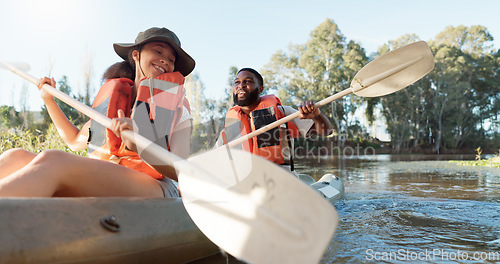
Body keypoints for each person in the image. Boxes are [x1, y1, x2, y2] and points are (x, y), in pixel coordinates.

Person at [0, 27, 194, 198]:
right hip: (111, 173)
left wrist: (139, 147)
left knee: (55, 161)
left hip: (158, 187)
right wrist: (48, 100)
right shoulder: (116, 99)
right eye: (158, 51)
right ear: (136, 55)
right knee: (15, 156)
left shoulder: (178, 107)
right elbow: (75, 141)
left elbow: (180, 171)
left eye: (171, 59)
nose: (164, 60)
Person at [216, 67, 332, 172]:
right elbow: (213, 157)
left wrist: (317, 116)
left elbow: (326, 131)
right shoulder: (231, 125)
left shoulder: (285, 113)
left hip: (281, 182)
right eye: (237, 82)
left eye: (248, 81)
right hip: (247, 184)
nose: (240, 85)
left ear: (260, 89)